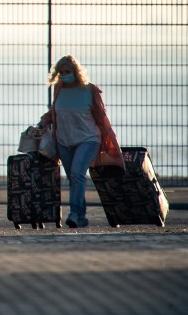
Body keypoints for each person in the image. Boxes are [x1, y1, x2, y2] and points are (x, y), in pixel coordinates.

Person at [38, 55, 124, 228]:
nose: (64, 75)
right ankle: (81, 217)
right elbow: (55, 111)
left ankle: (74, 213)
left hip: (88, 139)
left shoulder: (89, 90)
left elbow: (101, 117)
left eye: (67, 71)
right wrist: (43, 121)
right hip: (64, 141)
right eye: (61, 72)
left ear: (76, 72)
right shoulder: (59, 89)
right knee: (74, 178)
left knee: (77, 174)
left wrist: (109, 140)